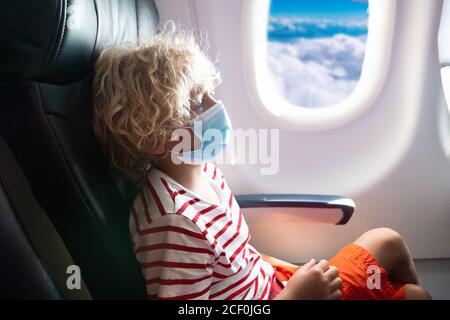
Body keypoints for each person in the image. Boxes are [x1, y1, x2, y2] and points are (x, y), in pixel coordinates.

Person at [91, 22, 431, 300]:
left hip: (273, 283)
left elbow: (236, 259)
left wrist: (290, 278)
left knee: (388, 241)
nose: (214, 105)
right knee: (413, 296)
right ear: (153, 136)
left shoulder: (202, 170)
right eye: (195, 103)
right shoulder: (172, 222)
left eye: (208, 91)